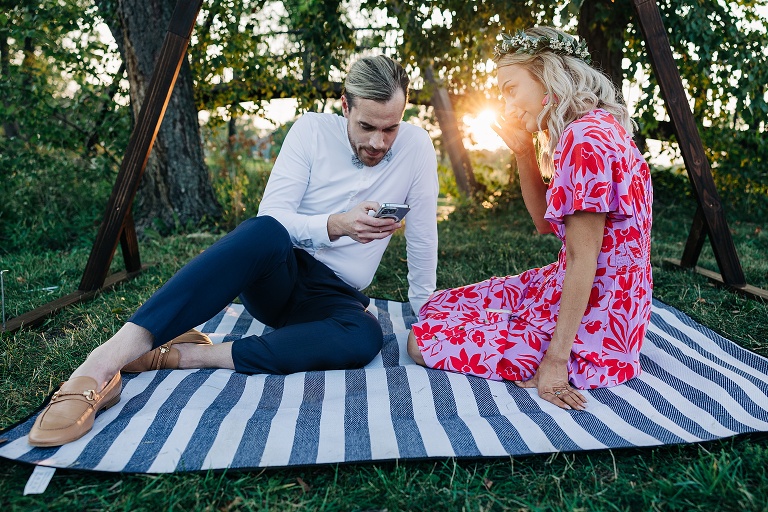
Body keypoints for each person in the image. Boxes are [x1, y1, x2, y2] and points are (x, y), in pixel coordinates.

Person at [28, 55, 439, 447]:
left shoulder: (416, 148)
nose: (378, 142)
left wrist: (428, 319)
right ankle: (98, 368)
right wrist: (335, 225)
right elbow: (273, 217)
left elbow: (422, 237)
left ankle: (185, 356)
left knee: (365, 336)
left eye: (390, 128)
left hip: (334, 298)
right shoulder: (311, 131)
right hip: (277, 276)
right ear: (345, 105)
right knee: (263, 232)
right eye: (367, 125)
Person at [407, 27, 653, 411]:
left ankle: (559, 350)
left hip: (597, 320)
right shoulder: (595, 126)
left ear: (547, 76)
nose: (507, 107)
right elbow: (544, 224)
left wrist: (555, 362)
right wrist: (524, 153)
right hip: (598, 296)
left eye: (510, 89)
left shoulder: (584, 140)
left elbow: (581, 258)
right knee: (438, 305)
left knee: (421, 342)